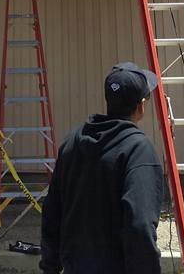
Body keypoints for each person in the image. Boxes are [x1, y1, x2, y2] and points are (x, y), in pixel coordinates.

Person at [40, 61, 164, 274]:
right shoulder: (138, 151)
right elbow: (140, 226)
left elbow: (52, 212)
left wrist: (50, 266)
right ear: (141, 105)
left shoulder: (71, 142)